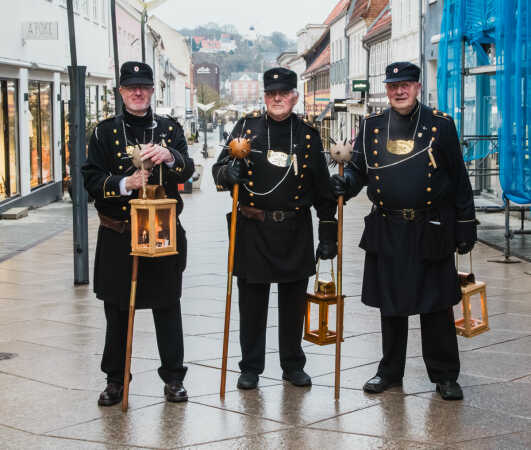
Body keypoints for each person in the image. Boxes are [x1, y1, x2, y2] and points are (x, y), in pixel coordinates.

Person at [330, 62, 477, 400]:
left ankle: (444, 376)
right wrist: (345, 184)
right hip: (388, 226)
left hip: (432, 227)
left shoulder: (440, 126)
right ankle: (390, 372)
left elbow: (459, 181)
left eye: (406, 84)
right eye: (394, 85)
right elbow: (357, 170)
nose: (399, 91)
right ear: (386, 88)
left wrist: (465, 225)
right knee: (391, 306)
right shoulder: (371, 126)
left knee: (436, 306)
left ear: (417, 87)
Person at [212, 67, 338, 390]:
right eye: (271, 94)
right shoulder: (246, 127)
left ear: (294, 96)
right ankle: (250, 366)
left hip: (294, 228)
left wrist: (327, 235)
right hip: (253, 229)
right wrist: (230, 173)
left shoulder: (308, 135)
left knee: (293, 304)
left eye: (283, 94)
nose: (277, 99)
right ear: (264, 96)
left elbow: (324, 192)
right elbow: (217, 169)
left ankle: (293, 364)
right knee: (251, 303)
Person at [82, 61, 194, 406]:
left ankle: (173, 378)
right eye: (131, 87)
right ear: (121, 92)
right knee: (116, 311)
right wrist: (124, 183)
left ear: (152, 91)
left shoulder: (170, 128)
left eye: (143, 86)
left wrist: (171, 155)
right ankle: (115, 380)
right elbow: (88, 180)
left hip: (161, 233)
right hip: (118, 235)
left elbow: (188, 169)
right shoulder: (103, 132)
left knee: (167, 307)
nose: (138, 92)